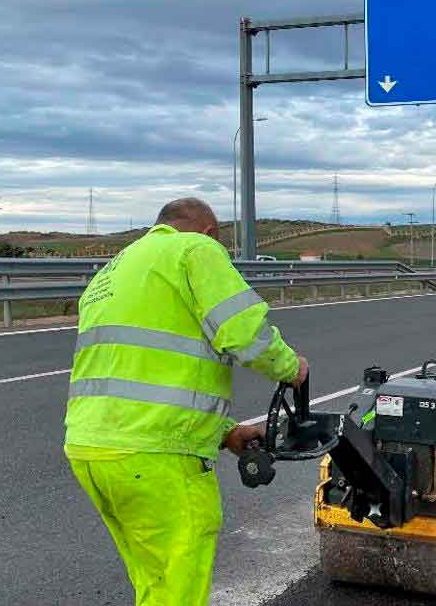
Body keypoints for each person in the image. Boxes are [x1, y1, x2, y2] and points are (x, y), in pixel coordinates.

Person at [64, 197, 308, 606]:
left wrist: (223, 433)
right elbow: (243, 332)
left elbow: (143, 377)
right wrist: (290, 368)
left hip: (93, 451)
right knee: (179, 585)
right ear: (211, 233)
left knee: (156, 582)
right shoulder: (195, 249)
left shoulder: (116, 268)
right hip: (155, 457)